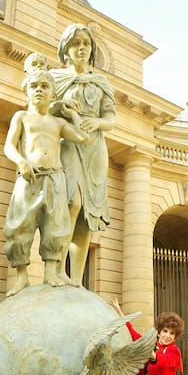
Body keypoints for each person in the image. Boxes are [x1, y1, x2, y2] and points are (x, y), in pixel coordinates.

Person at [3, 69, 89, 296]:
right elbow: (9, 146)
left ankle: (51, 271)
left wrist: (73, 115)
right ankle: (22, 277)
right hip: (29, 176)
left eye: (44, 86)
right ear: (27, 93)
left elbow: (82, 137)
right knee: (19, 225)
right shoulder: (21, 117)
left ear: (53, 94)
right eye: (34, 86)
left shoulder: (58, 122)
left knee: (56, 225)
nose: (39, 90)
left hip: (54, 177)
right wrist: (21, 161)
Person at [50, 23, 116, 286]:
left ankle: (76, 280)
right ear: (66, 49)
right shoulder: (54, 78)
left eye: (86, 44)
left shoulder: (101, 82)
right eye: (76, 43)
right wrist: (60, 106)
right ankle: (57, 270)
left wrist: (98, 123)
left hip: (94, 146)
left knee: (88, 217)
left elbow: (110, 117)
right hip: (68, 142)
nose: (81, 48)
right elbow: (40, 108)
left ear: (91, 50)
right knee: (71, 202)